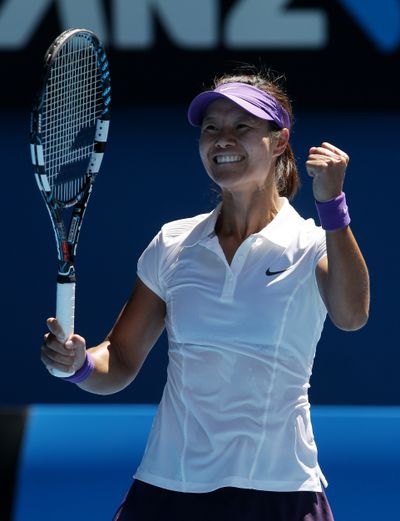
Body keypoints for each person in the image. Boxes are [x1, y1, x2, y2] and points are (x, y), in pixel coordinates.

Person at [41, 69, 370, 521]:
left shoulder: (313, 243)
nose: (222, 139)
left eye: (241, 126)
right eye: (211, 128)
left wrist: (333, 207)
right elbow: (118, 361)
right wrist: (77, 364)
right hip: (166, 489)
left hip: (278, 492)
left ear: (279, 141)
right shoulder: (173, 244)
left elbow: (352, 315)